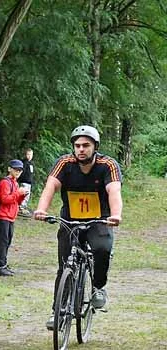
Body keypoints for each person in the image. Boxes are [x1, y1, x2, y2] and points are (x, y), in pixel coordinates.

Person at [34, 125, 122, 329]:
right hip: (70, 219)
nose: (81, 149)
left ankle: (98, 287)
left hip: (100, 219)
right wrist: (41, 209)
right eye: (77, 145)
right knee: (65, 264)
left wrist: (116, 214)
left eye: (86, 145)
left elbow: (114, 190)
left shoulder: (107, 164)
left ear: (95, 147)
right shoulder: (64, 163)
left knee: (102, 248)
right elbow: (50, 186)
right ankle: (58, 311)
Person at [0, 160, 28, 277]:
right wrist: (18, 193)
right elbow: (4, 199)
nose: (18, 171)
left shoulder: (15, 183)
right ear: (9, 169)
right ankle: (0, 266)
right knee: (3, 242)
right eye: (16, 169)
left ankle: (3, 264)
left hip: (11, 216)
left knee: (7, 241)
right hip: (3, 215)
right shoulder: (5, 182)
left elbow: (16, 201)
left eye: (20, 170)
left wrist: (22, 195)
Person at [18, 148, 35, 216]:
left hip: (29, 182)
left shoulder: (31, 163)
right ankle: (21, 208)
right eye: (28, 154)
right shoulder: (24, 163)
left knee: (27, 195)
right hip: (24, 182)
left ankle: (23, 207)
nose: (29, 156)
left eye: (31, 154)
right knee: (24, 195)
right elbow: (22, 172)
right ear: (26, 155)